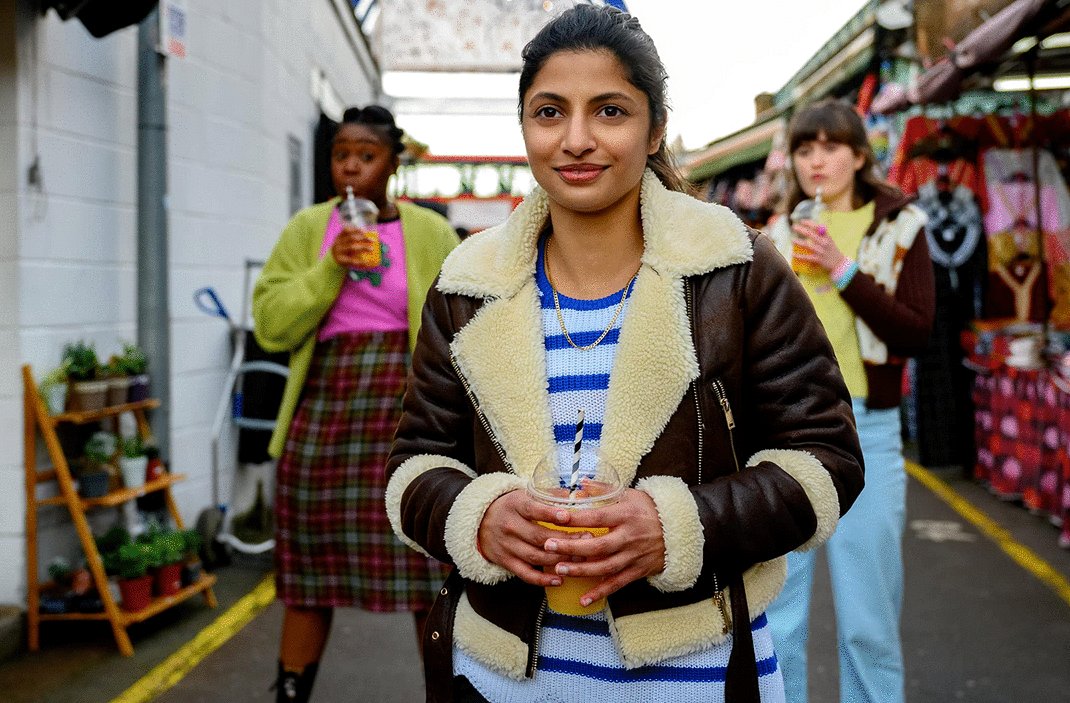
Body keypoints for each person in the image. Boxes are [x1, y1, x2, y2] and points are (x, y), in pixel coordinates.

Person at [385, 6, 864, 703]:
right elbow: (414, 465)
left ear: (655, 127)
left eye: (609, 110)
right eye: (550, 112)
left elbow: (826, 461)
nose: (576, 139)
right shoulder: (467, 285)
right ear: (524, 126)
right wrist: (478, 515)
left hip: (696, 674)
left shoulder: (736, 268)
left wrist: (679, 525)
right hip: (497, 678)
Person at [252, 104, 460, 703]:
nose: (350, 168)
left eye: (365, 157)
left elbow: (460, 322)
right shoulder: (307, 228)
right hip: (323, 414)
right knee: (308, 576)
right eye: (340, 155)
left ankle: (443, 691)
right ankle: (291, 691)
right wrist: (328, 270)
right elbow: (270, 323)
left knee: (422, 569)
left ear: (393, 163)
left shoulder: (429, 232)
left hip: (407, 414)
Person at [764, 98, 935, 703]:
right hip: (785, 434)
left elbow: (916, 331)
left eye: (831, 147)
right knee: (779, 614)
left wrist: (841, 270)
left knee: (868, 618)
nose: (818, 161)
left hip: (868, 429)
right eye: (806, 148)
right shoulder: (776, 235)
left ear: (859, 155)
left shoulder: (900, 226)